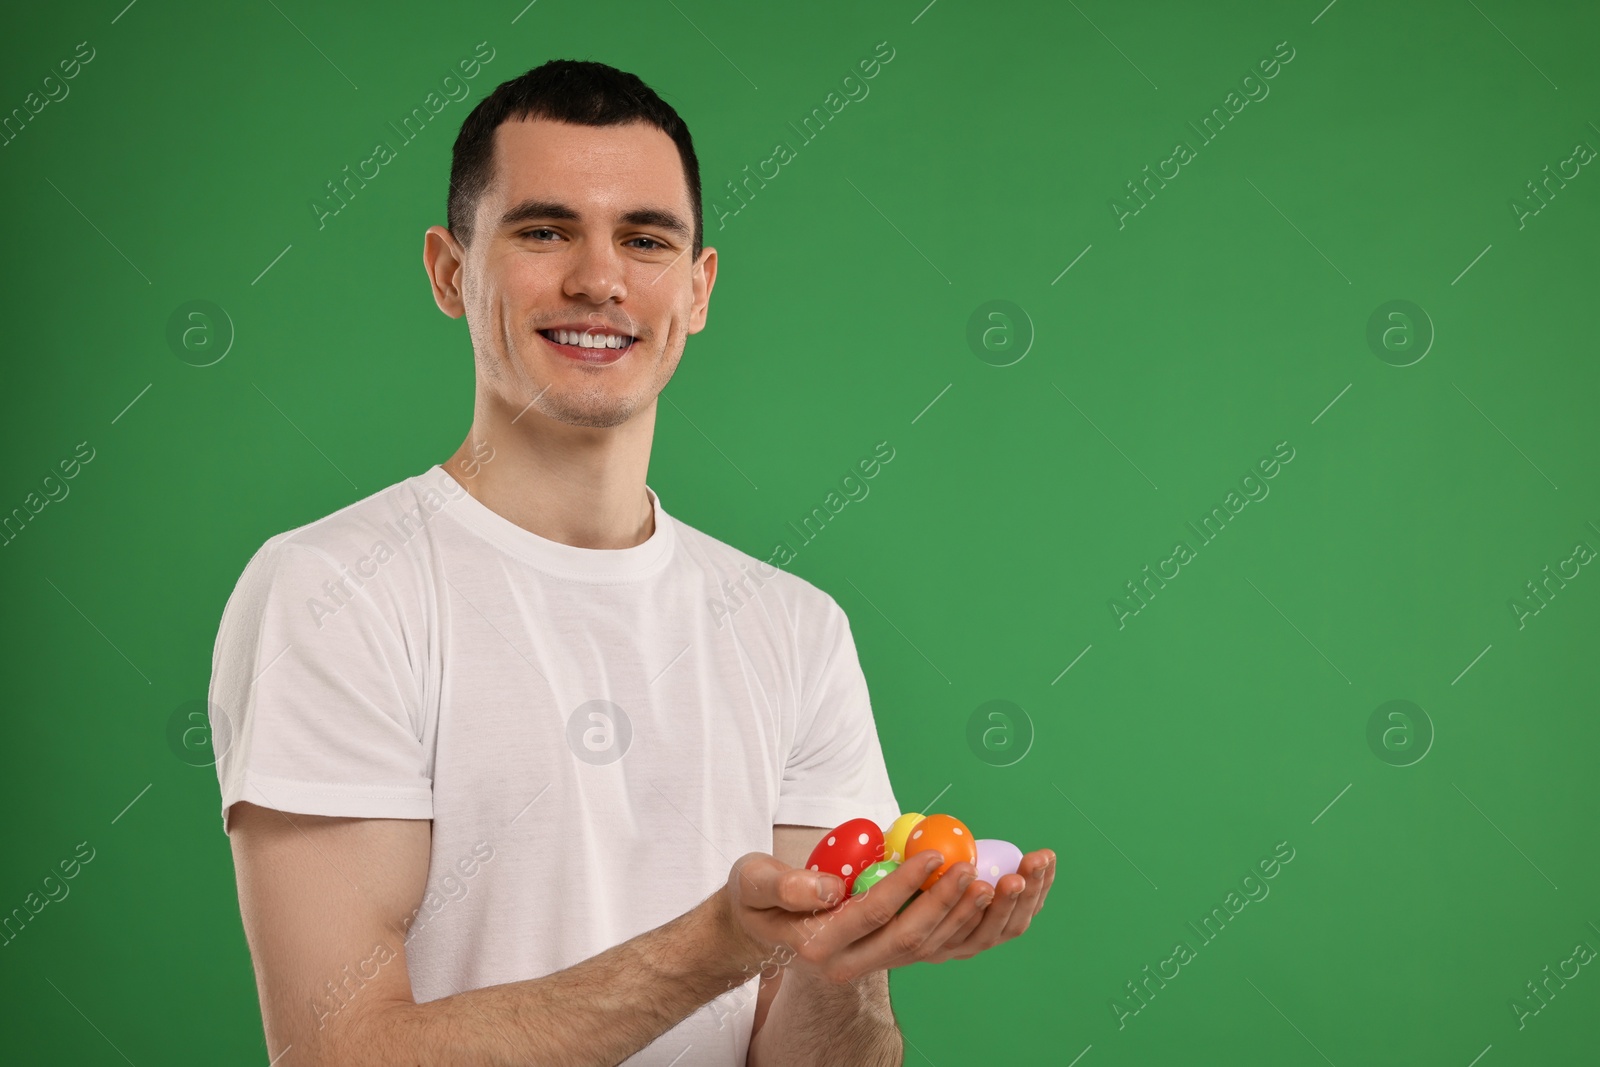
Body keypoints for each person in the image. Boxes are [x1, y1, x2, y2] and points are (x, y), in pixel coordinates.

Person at [209, 58, 1055, 1067]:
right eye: (543, 229)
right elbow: (338, 1053)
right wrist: (718, 946)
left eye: (644, 239)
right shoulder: (332, 592)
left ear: (696, 289)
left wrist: (838, 964)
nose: (599, 280)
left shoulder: (795, 628)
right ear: (448, 271)